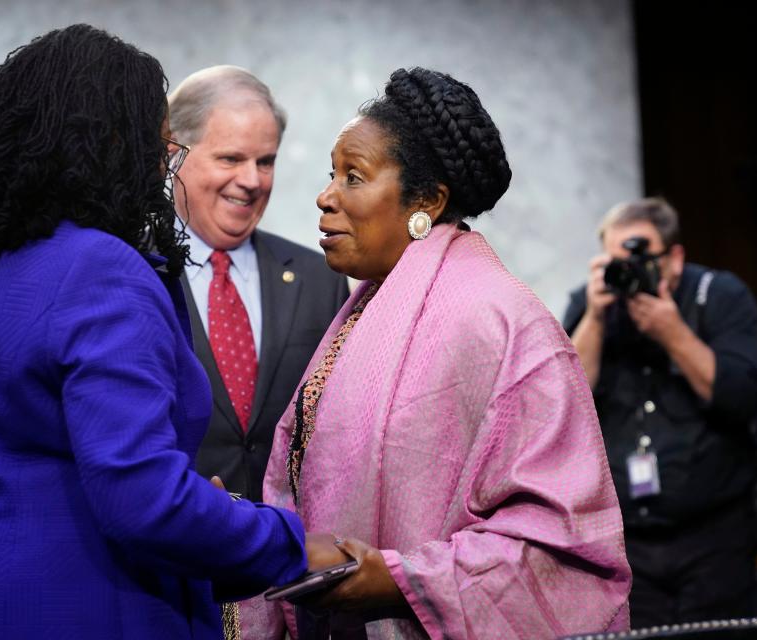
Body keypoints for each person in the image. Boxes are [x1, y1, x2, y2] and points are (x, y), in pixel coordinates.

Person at [0, 25, 341, 640]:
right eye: (154, 145)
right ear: (110, 145)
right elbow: (144, 502)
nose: (162, 164)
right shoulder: (101, 268)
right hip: (86, 605)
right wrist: (293, 544)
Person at [244, 68, 631, 639]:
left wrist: (397, 580)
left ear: (426, 200)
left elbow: (560, 550)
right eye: (333, 174)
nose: (325, 196)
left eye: (354, 176)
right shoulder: (361, 313)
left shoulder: (503, 322)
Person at [563, 198, 757, 626]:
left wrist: (674, 333)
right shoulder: (591, 305)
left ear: (674, 258)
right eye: (616, 261)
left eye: (640, 259)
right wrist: (595, 319)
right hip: (626, 541)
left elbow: (742, 396)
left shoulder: (720, 295)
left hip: (715, 534)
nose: (629, 272)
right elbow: (563, 400)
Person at [168, 66, 349, 501]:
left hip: (288, 553)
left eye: (265, 161)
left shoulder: (320, 277)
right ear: (174, 153)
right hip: (168, 555)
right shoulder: (134, 270)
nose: (252, 181)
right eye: (231, 158)